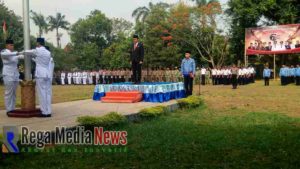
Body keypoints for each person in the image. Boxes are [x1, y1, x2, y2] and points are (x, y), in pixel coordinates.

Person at [25, 38, 52, 117]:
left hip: (40, 74)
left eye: (37, 43)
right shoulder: (48, 52)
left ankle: (44, 112)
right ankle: (48, 111)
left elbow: (28, 52)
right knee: (47, 93)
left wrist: (21, 52)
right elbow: (39, 60)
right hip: (46, 74)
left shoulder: (38, 50)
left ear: (38, 43)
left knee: (42, 93)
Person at [1, 39, 24, 114]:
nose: (12, 46)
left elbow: (20, 56)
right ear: (7, 45)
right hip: (8, 74)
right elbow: (7, 55)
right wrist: (17, 53)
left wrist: (25, 54)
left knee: (14, 93)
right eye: (11, 45)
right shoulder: (4, 52)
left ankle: (13, 108)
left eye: (13, 45)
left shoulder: (13, 54)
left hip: (15, 75)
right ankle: (9, 110)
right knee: (8, 93)